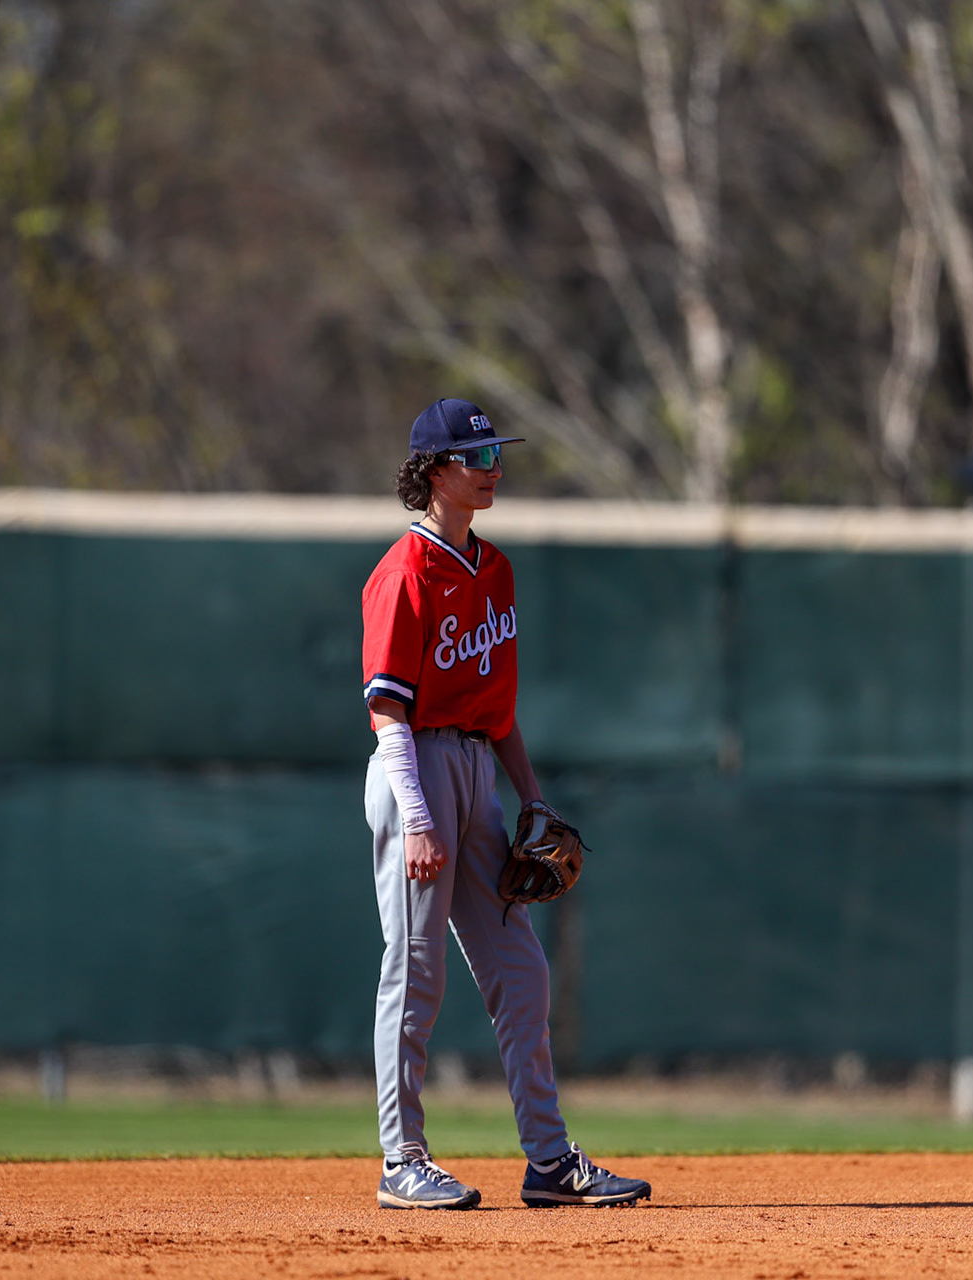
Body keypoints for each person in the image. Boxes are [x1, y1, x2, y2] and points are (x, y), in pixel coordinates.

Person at [360, 397, 651, 1211]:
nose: (493, 468)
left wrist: (532, 797)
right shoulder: (402, 573)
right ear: (434, 473)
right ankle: (401, 1160)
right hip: (411, 767)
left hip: (476, 771)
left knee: (521, 970)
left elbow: (497, 713)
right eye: (477, 455)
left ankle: (550, 1161)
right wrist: (417, 817)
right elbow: (388, 710)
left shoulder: (495, 570)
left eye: (495, 454)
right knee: (414, 971)